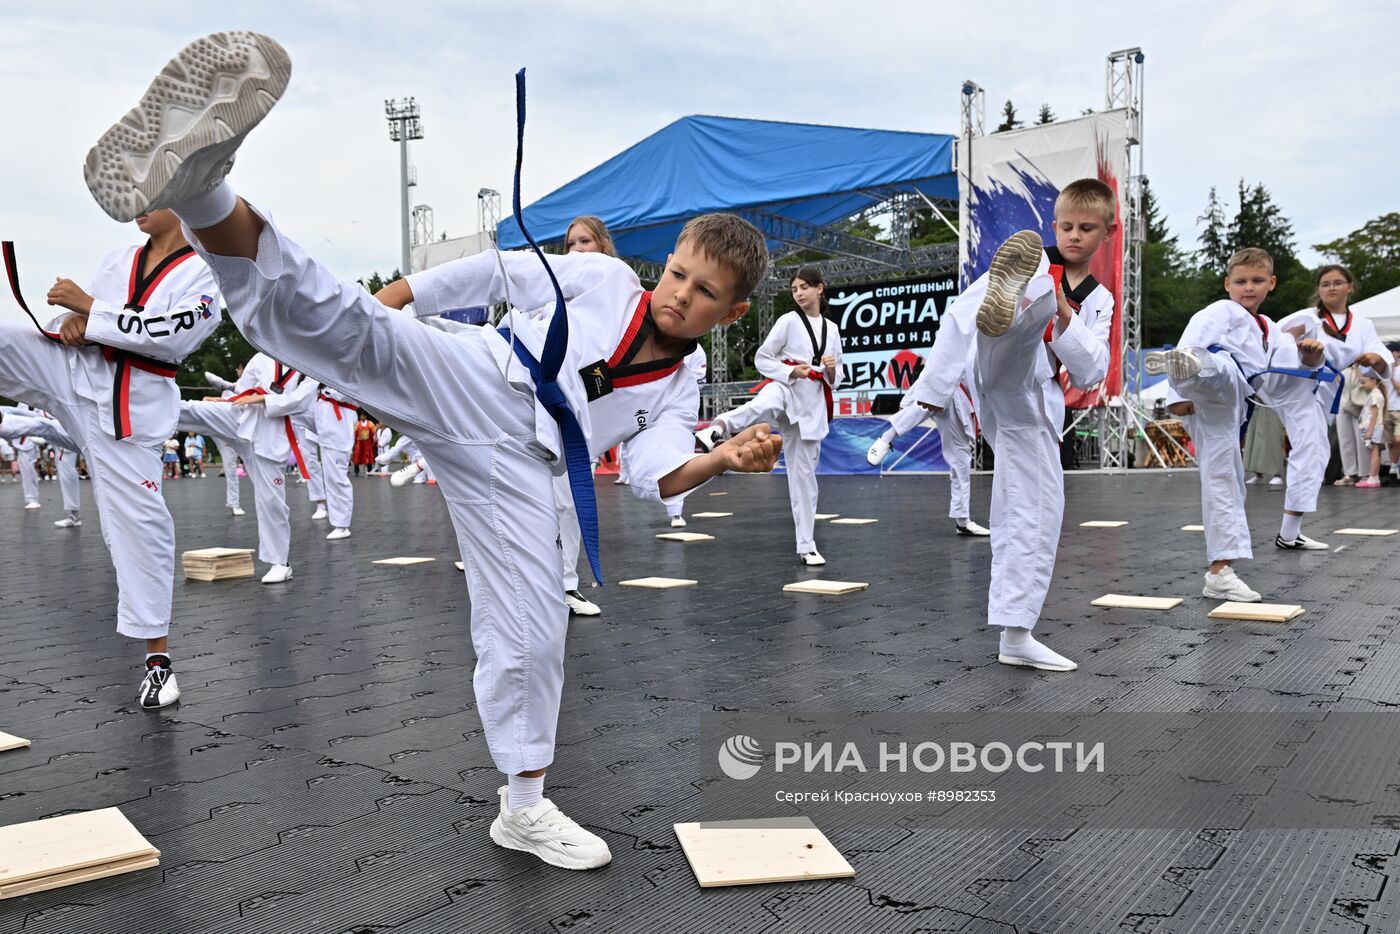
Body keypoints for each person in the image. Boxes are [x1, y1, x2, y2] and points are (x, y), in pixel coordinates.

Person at [82, 30, 782, 870]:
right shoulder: (604, 280)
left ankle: (523, 807)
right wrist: (398, 296)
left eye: (703, 293)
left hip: (524, 467)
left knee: (531, 630)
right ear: (662, 265)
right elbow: (492, 273)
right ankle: (202, 188)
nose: (679, 296)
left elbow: (650, 474)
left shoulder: (680, 382)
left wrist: (723, 458)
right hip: (479, 376)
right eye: (676, 275)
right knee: (348, 329)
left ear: (732, 312)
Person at [0, 205, 220, 708]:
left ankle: (158, 664)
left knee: (141, 528)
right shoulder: (120, 256)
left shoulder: (206, 270)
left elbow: (175, 336)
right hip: (72, 370)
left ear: (180, 198)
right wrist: (72, 318)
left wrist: (91, 308)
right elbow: (72, 320)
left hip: (131, 412)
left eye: (150, 196)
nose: (138, 206)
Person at [905, 181, 1116, 672]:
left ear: (1107, 232)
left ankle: (1026, 309)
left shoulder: (1100, 300)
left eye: (1086, 228)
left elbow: (1090, 372)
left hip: (1019, 388)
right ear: (1053, 224)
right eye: (1065, 226)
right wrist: (932, 394)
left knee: (1022, 507)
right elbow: (959, 317)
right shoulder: (1034, 258)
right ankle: (1017, 634)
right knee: (1036, 510)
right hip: (1013, 394)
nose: (1074, 236)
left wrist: (1066, 315)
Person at [1146, 248, 1335, 599]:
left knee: (1228, 480)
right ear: (1227, 284)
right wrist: (1178, 395)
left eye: (1257, 280)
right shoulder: (1222, 310)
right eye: (1241, 281)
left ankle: (1220, 571)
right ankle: (1187, 369)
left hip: (1232, 404)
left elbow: (1275, 384)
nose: (1249, 287)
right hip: (1208, 393)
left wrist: (1310, 360)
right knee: (1222, 367)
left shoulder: (1273, 333)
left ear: (1271, 283)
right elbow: (1193, 338)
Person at [699, 266, 843, 566]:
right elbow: (762, 357)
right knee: (763, 404)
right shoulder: (789, 321)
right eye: (794, 289)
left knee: (804, 479)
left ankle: (807, 545)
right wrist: (792, 370)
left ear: (820, 288)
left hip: (812, 405)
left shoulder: (832, 329)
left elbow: (837, 377)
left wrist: (829, 369)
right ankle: (719, 425)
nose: (799, 293)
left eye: (804, 287)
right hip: (786, 387)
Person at [1271, 265, 1389, 548]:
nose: (1331, 288)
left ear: (1350, 286)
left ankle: (1290, 533)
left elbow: (1383, 360)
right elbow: (1276, 339)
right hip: (1298, 386)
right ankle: (1288, 535)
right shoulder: (1307, 318)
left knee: (1317, 451)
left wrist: (1376, 359)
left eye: (1338, 283)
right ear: (1318, 290)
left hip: (1328, 389)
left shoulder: (1362, 323)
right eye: (1325, 284)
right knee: (1312, 449)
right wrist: (1300, 347)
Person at [869, 354, 990, 537]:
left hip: (960, 399)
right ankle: (887, 437)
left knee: (961, 461)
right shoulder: (956, 338)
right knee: (931, 399)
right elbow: (934, 369)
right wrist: (908, 400)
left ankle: (962, 520)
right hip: (947, 388)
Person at [1357, 371, 1387, 488]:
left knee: (1374, 452)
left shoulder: (1375, 395)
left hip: (1373, 427)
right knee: (1372, 452)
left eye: (1364, 382)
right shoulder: (1375, 393)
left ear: (1373, 381)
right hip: (1372, 427)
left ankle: (1373, 477)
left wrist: (1370, 430)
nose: (1362, 385)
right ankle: (1373, 476)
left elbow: (1374, 414)